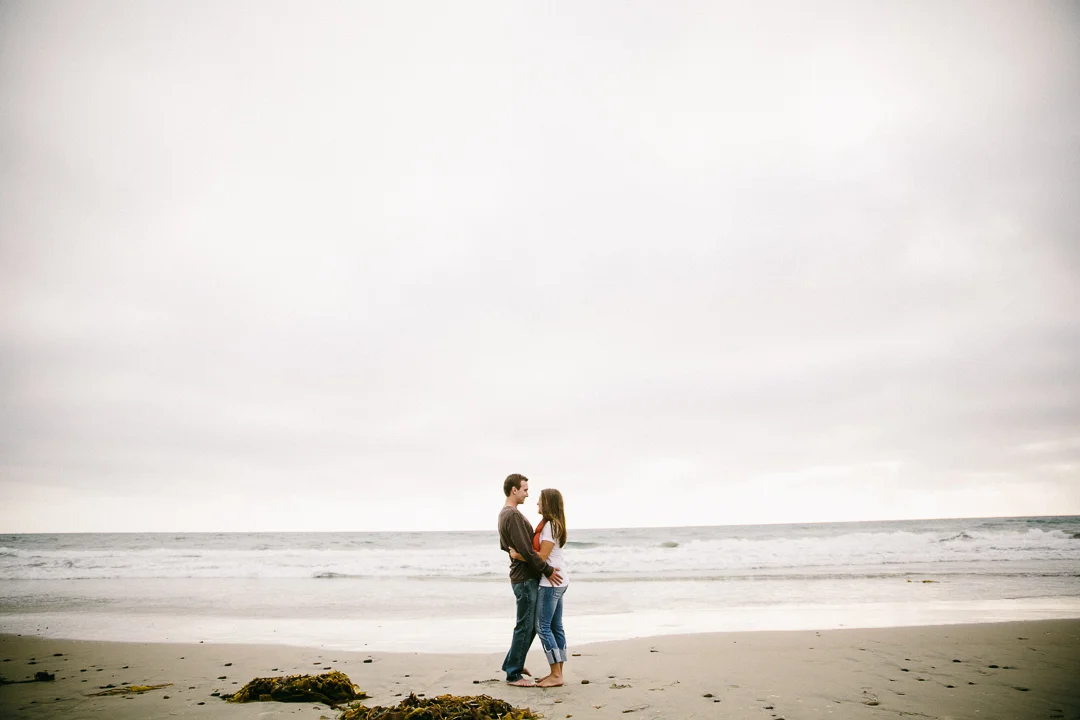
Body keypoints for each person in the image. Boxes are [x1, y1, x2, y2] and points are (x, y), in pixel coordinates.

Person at [498, 473, 562, 687]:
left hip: (521, 576)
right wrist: (546, 569)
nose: (528, 493)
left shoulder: (504, 514)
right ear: (514, 490)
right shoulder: (513, 515)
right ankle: (513, 673)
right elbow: (525, 548)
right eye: (525, 489)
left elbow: (505, 546)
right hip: (524, 578)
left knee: (529, 624)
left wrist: (516, 554)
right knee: (526, 625)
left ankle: (512, 662)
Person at [511, 487, 569, 687]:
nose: (537, 503)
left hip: (550, 582)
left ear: (548, 503)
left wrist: (518, 556)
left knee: (543, 627)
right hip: (560, 580)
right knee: (555, 626)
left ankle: (556, 674)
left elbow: (542, 558)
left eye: (540, 500)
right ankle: (557, 673)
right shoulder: (553, 524)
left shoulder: (550, 526)